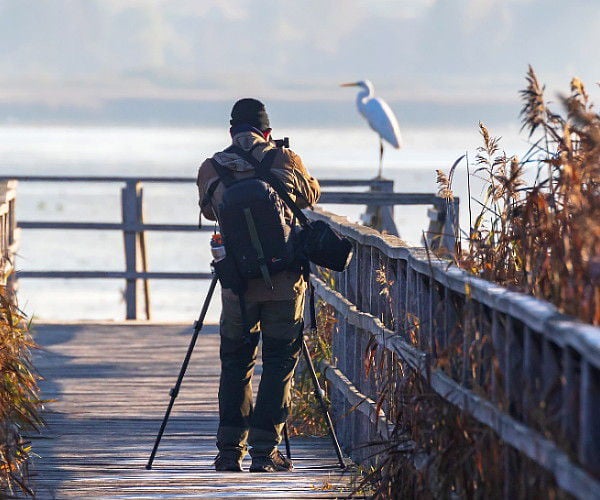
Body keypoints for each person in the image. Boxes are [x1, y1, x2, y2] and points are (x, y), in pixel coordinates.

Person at [196, 98, 320, 472]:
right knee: (280, 361)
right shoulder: (285, 160)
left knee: (235, 361)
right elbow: (312, 195)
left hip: (237, 284)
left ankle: (228, 451)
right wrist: (284, 160)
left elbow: (208, 211)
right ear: (267, 132)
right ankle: (265, 453)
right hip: (284, 281)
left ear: (232, 132)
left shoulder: (211, 167)